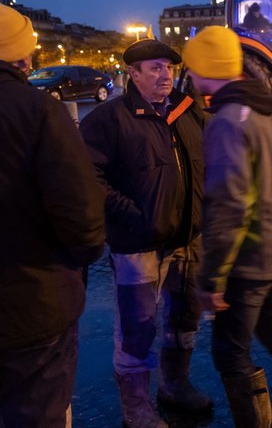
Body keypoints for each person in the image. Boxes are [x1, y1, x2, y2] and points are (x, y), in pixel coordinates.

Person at [182, 26, 272, 428]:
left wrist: (212, 279)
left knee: (230, 353)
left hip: (245, 261)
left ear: (207, 68)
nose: (189, 76)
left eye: (192, 68)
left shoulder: (226, 121)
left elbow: (228, 206)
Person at [0, 3, 106, 428]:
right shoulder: (37, 111)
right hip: (32, 304)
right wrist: (77, 259)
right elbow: (81, 217)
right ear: (18, 53)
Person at [80, 38, 212, 428]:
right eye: (155, 68)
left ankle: (174, 383)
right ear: (133, 74)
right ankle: (136, 406)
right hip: (138, 244)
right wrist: (133, 216)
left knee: (185, 316)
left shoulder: (187, 110)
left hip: (188, 238)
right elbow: (89, 176)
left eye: (168, 67)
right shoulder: (109, 118)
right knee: (137, 326)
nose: (165, 75)